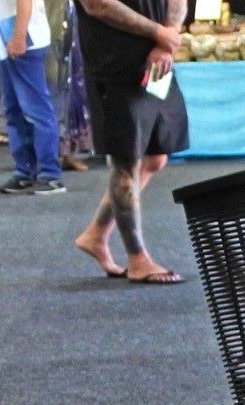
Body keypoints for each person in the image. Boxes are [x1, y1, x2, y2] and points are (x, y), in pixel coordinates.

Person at [70, 0, 187, 282]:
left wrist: (166, 38)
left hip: (158, 60)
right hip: (115, 63)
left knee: (155, 157)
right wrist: (159, 32)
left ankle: (96, 235)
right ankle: (138, 259)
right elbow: (98, 5)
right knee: (127, 161)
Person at [0, 0, 65, 192]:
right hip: (5, 37)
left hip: (23, 41)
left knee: (36, 111)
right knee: (13, 109)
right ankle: (25, 171)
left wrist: (19, 36)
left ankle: (50, 174)